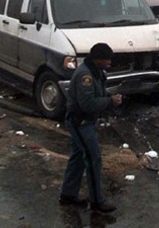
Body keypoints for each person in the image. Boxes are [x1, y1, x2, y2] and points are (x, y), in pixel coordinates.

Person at [60, 43, 121, 214]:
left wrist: (109, 96)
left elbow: (97, 94)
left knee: (78, 157)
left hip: (86, 122)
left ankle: (68, 194)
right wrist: (110, 101)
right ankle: (97, 200)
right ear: (97, 59)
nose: (109, 62)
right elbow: (87, 103)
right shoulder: (85, 75)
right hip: (80, 122)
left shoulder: (97, 72)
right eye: (106, 59)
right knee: (93, 159)